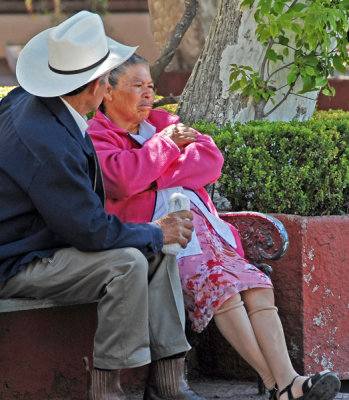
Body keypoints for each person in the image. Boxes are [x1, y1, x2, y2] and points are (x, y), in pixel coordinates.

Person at [87, 53, 341, 400]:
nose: (148, 94)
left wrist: (149, 172)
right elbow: (119, 180)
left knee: (258, 286)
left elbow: (209, 160)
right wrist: (166, 150)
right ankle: (278, 385)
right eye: (137, 86)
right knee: (223, 290)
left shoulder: (163, 121)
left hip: (210, 235)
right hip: (163, 240)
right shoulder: (98, 135)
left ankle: (290, 381)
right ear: (108, 92)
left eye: (150, 86)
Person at [0, 11, 205, 400]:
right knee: (127, 262)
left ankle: (169, 383)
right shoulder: (48, 142)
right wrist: (154, 229)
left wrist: (152, 235)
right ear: (96, 86)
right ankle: (107, 390)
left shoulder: (33, 100)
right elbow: (90, 231)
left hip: (43, 240)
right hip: (16, 260)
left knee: (157, 252)